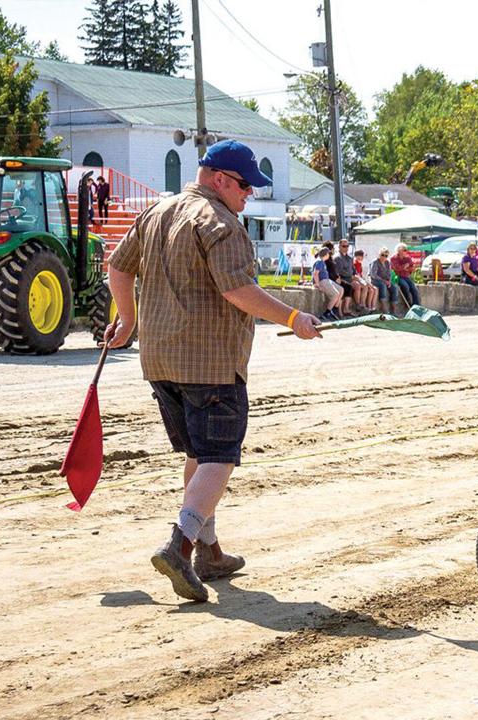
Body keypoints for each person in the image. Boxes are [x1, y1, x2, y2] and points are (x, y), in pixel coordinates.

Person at [103, 139, 322, 603]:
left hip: (159, 361)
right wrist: (293, 318)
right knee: (220, 457)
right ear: (219, 179)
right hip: (210, 363)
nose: (250, 194)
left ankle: (210, 552)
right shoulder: (220, 222)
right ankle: (179, 545)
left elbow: (117, 267)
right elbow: (237, 289)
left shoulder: (157, 212)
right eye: (245, 185)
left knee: (199, 455)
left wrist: (127, 321)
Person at [324, 242, 355, 315]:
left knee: (349, 287)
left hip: (336, 278)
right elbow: (327, 272)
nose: (333, 250)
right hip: (331, 280)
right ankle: (335, 310)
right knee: (342, 289)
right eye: (332, 248)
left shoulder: (330, 258)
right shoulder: (327, 260)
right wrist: (335, 278)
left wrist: (337, 277)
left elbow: (334, 271)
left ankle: (343, 309)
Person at [313, 245, 343, 319]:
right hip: (322, 281)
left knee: (341, 289)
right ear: (326, 254)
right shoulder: (319, 262)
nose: (329, 255)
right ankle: (327, 312)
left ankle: (334, 310)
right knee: (335, 294)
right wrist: (317, 284)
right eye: (328, 254)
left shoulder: (322, 262)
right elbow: (315, 274)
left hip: (327, 280)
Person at [390, 243, 421, 308]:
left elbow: (412, 268)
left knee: (414, 289)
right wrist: (404, 267)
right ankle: (408, 303)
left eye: (406, 250)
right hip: (398, 277)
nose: (406, 251)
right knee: (405, 286)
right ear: (399, 250)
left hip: (406, 276)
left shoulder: (408, 258)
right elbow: (396, 268)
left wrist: (405, 268)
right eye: (404, 250)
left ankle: (417, 306)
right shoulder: (393, 258)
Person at [370, 248, 397, 313]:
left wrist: (389, 281)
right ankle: (384, 306)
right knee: (383, 285)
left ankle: (394, 309)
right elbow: (373, 275)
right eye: (382, 255)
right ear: (379, 254)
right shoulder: (375, 262)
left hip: (385, 280)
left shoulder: (387, 263)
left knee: (394, 288)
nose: (384, 257)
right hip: (375, 280)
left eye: (386, 255)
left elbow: (389, 273)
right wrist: (384, 281)